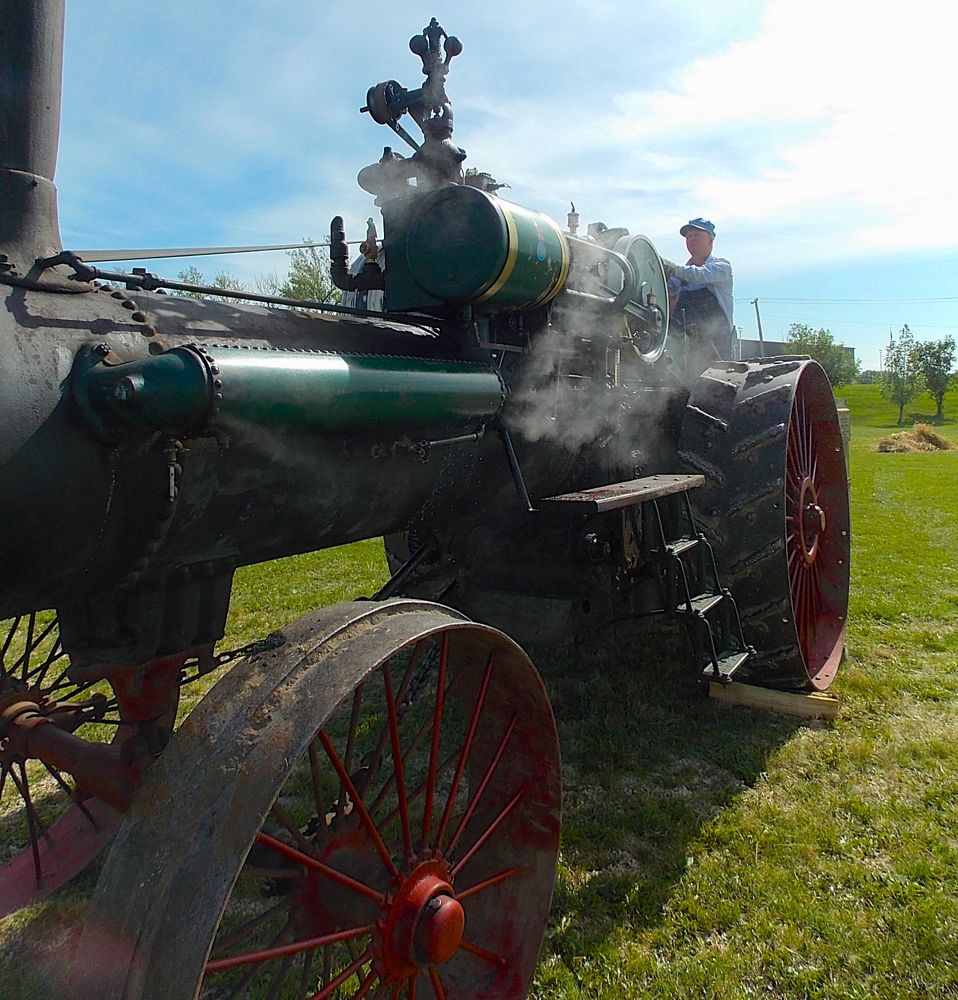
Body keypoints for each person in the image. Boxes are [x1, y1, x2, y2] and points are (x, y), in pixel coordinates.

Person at [661, 218, 734, 367]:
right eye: (688, 236)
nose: (691, 239)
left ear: (710, 240)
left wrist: (671, 268)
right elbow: (663, 290)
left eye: (696, 234)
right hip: (685, 351)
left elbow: (699, 275)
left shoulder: (721, 267)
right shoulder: (679, 279)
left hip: (718, 349)